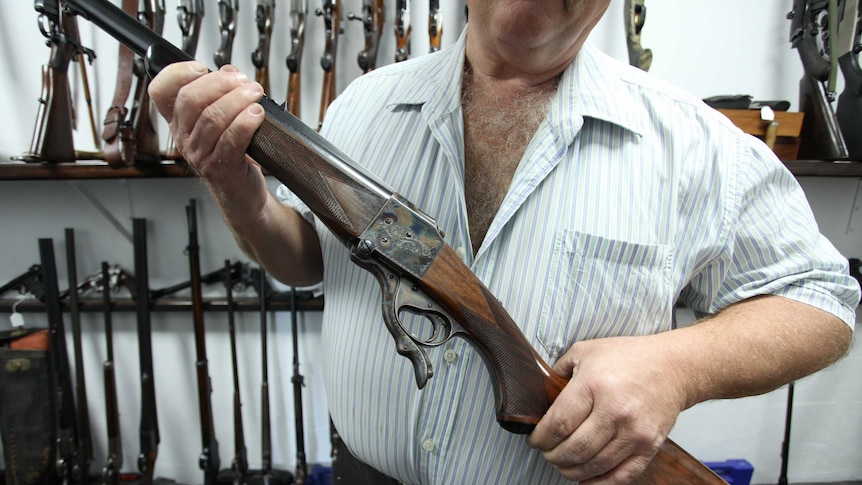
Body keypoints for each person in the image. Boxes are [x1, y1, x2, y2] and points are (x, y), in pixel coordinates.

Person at [149, 0, 859, 483]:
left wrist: (678, 365)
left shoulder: (695, 143)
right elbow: (308, 258)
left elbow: (822, 303)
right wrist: (236, 185)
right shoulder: (362, 102)